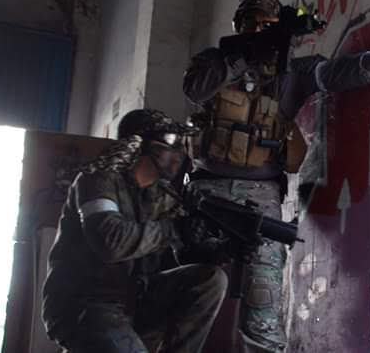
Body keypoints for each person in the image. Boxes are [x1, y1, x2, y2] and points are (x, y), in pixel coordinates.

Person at [181, 0, 370, 352]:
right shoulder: (215, 62)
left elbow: (333, 74)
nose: (263, 31)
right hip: (207, 193)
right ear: (241, 26)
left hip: (260, 198)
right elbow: (196, 89)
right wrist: (245, 56)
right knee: (194, 289)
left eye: (270, 26)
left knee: (263, 298)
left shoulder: (292, 71)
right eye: (255, 24)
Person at [41, 109, 234, 353]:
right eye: (171, 144)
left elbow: (180, 256)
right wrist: (174, 229)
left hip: (134, 300)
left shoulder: (163, 196)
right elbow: (110, 241)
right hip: (85, 306)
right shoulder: (97, 181)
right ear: (139, 146)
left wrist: (220, 250)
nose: (179, 154)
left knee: (211, 279)